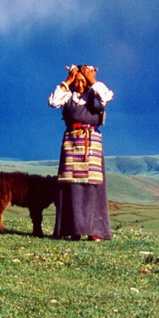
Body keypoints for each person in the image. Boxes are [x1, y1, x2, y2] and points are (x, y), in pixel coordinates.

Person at [48, 65, 114, 241]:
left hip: (91, 143)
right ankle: (72, 230)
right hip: (71, 142)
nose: (79, 84)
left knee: (93, 186)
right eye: (76, 80)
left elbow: (107, 96)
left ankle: (95, 232)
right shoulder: (68, 96)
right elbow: (53, 102)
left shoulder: (95, 95)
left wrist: (92, 80)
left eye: (82, 81)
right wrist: (67, 80)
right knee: (71, 185)